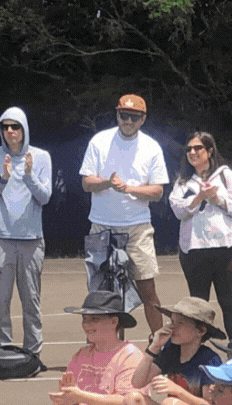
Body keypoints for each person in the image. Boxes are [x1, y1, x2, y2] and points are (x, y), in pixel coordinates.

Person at [2, 290, 146, 405]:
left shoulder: (131, 355)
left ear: (114, 322)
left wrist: (80, 396)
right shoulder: (81, 355)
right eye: (85, 319)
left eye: (94, 319)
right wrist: (64, 401)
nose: (87, 325)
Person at [80, 95, 169, 334]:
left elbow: (158, 191)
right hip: (101, 227)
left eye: (134, 117)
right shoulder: (99, 141)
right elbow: (87, 182)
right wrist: (107, 183)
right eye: (123, 115)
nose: (128, 121)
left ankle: (158, 346)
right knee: (100, 294)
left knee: (147, 289)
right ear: (117, 115)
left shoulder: (151, 147)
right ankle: (102, 349)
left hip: (137, 228)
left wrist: (129, 188)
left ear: (143, 119)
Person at [0, 107, 51, 355]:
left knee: (31, 300)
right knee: (0, 300)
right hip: (0, 238)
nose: (10, 131)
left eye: (15, 126)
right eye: (5, 127)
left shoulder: (41, 157)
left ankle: (33, 353)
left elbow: (45, 197)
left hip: (32, 239)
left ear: (24, 129)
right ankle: (4, 351)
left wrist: (29, 176)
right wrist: (2, 179)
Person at [170, 131, 232, 339]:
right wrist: (198, 198)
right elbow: (178, 211)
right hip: (194, 250)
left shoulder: (225, 175)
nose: (193, 153)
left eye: (198, 148)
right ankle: (197, 354)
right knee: (197, 304)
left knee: (227, 301)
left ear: (210, 150)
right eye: (189, 149)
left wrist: (218, 200)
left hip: (227, 247)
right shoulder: (183, 181)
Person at [122, 296, 228, 405]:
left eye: (180, 323)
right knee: (132, 400)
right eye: (172, 321)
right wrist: (154, 347)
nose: (172, 328)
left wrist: (178, 392)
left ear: (201, 330)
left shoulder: (209, 360)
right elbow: (137, 382)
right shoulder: (171, 351)